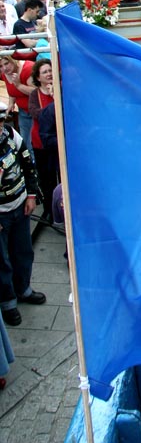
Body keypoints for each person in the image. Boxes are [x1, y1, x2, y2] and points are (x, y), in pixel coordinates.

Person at [0, 101, 46, 327]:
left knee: (23, 252)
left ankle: (24, 289)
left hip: (19, 206)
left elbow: (28, 163)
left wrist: (31, 195)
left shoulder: (10, 135)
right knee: (2, 262)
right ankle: (8, 302)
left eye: (1, 121)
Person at [28, 59, 56, 221]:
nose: (49, 74)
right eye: (45, 72)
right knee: (46, 178)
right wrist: (52, 106)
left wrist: (54, 95)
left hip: (58, 142)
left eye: (50, 70)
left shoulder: (60, 90)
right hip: (41, 143)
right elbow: (36, 114)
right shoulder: (34, 94)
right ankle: (49, 210)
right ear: (38, 77)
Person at [0, 55, 35, 149]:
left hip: (37, 111)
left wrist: (19, 85)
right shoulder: (5, 73)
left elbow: (37, 92)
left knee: (33, 144)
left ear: (13, 60)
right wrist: (11, 103)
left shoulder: (28, 68)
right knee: (24, 143)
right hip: (23, 111)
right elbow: (12, 91)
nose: (4, 68)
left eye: (6, 63)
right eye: (1, 66)